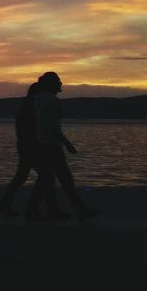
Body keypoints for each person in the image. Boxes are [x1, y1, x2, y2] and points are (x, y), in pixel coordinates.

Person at [25, 72, 100, 222]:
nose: (61, 83)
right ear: (51, 84)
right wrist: (67, 143)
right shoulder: (50, 100)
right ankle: (79, 210)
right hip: (49, 146)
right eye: (58, 81)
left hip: (42, 145)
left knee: (47, 179)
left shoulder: (38, 100)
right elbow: (51, 127)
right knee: (64, 179)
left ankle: (46, 210)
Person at [0, 83, 42, 216]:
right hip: (30, 147)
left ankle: (5, 205)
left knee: (21, 176)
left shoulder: (26, 106)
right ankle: (33, 209)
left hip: (25, 146)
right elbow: (27, 130)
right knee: (43, 176)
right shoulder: (31, 108)